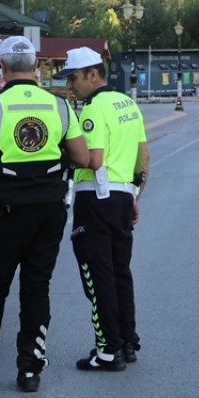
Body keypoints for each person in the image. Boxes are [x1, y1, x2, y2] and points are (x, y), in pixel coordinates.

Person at [0, 36, 92, 393]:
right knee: (36, 288)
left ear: (2, 68)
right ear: (37, 68)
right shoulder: (59, 106)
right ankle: (30, 370)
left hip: (5, 214)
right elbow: (84, 158)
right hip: (48, 214)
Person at [55, 46, 150, 372]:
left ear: (93, 74)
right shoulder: (128, 104)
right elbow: (144, 159)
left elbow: (92, 160)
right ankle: (126, 341)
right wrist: (135, 196)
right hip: (123, 197)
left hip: (95, 199)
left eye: (74, 77)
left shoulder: (93, 109)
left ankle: (107, 350)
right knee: (120, 272)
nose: (71, 85)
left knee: (98, 276)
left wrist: (67, 151)